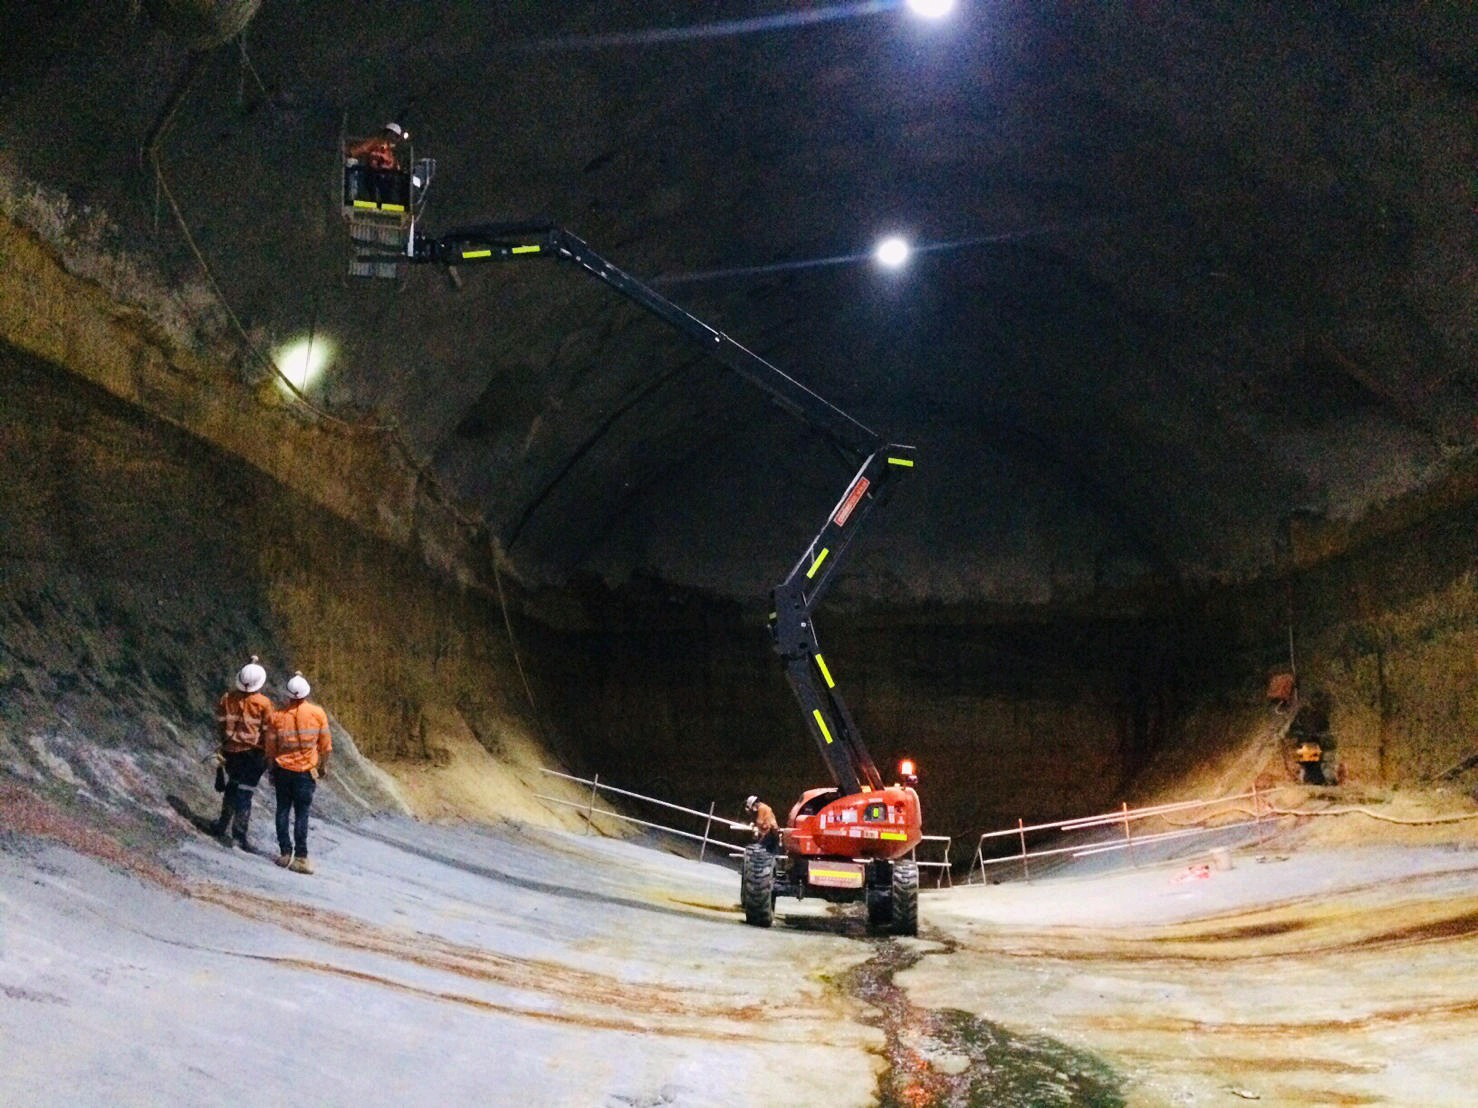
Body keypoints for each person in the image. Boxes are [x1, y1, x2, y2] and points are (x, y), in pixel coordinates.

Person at [266, 671, 332, 874]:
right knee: (302, 814)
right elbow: (326, 747)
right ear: (306, 692)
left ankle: (285, 853)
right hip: (305, 773)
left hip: (282, 771)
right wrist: (321, 768)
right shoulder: (318, 713)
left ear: (288, 694)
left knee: (282, 810)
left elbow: (270, 747)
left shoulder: (277, 717)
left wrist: (271, 769)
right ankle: (301, 858)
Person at [207, 655, 273, 852]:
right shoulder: (263, 703)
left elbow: (220, 723)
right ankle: (239, 836)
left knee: (231, 787)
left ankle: (221, 825)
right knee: (245, 793)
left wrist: (224, 743)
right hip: (253, 756)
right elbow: (269, 731)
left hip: (230, 752)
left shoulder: (227, 698)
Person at [345, 122, 408, 208]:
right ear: (388, 134)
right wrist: (349, 152)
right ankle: (373, 201)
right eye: (394, 136)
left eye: (396, 137)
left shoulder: (391, 152)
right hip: (373, 174)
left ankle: (386, 204)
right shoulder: (375, 143)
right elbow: (361, 149)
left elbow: (395, 166)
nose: (395, 139)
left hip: (386, 178)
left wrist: (399, 172)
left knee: (388, 191)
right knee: (373, 185)